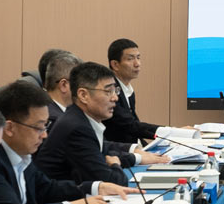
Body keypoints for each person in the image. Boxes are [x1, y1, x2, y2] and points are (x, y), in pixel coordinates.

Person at [0, 79, 121, 204]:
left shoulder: (22, 154)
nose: (44, 135)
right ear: (10, 128)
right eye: (38, 127)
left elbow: (47, 189)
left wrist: (95, 188)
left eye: (46, 126)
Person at [38, 47, 167, 171]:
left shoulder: (68, 113)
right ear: (64, 85)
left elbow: (99, 145)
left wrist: (133, 150)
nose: (114, 98)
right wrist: (134, 158)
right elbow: (97, 157)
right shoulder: (53, 119)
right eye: (80, 80)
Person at [104, 38, 159, 145]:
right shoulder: (109, 91)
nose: (137, 64)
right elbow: (130, 126)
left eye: (138, 57)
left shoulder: (128, 89)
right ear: (115, 64)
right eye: (130, 59)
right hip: (119, 150)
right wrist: (171, 132)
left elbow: (135, 127)